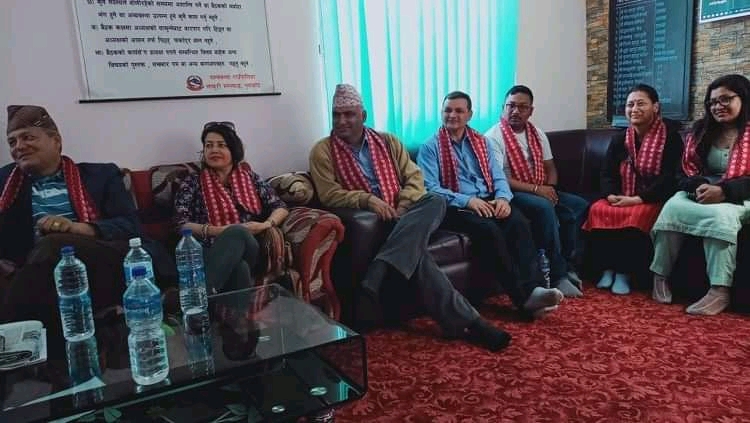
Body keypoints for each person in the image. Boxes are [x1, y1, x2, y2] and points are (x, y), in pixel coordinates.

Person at [309, 83, 511, 352]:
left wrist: (403, 205)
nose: (342, 121)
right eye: (336, 115)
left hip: (406, 214)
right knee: (418, 256)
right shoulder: (322, 151)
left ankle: (380, 268)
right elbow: (328, 194)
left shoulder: (388, 141)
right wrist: (368, 200)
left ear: (363, 115)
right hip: (373, 221)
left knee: (436, 199)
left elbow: (415, 178)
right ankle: (472, 322)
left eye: (349, 114)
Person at [0, 105, 174, 329]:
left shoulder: (100, 175)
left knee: (53, 245)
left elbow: (131, 226)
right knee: (48, 262)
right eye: (12, 142)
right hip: (40, 273)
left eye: (27, 137)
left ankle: (9, 333)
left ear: (56, 141)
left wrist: (75, 229)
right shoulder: (5, 183)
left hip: (101, 261)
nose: (19, 147)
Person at [417, 91, 563, 319]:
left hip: (488, 200)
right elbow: (430, 188)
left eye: (459, 111)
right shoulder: (430, 147)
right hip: (455, 206)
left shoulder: (481, 142)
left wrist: (503, 199)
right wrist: (468, 200)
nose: (452, 115)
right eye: (448, 110)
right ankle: (524, 300)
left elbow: (498, 177)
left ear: (469, 115)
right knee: (489, 230)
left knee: (518, 222)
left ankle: (535, 288)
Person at [650, 74, 750, 315]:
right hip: (703, 190)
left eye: (725, 99)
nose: (718, 106)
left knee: (720, 216)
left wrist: (725, 191)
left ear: (744, 99)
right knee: (673, 206)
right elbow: (682, 174)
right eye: (713, 102)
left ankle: (719, 290)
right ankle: (659, 277)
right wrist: (698, 186)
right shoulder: (700, 131)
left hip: (741, 194)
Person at [485, 85, 589, 297]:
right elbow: (500, 178)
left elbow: (550, 167)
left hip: (540, 187)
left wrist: (549, 189)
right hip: (511, 192)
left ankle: (570, 265)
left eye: (522, 107)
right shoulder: (493, 137)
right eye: (511, 106)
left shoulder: (537, 133)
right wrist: (537, 190)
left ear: (531, 111)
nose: (515, 111)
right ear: (503, 107)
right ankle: (558, 275)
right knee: (543, 207)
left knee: (579, 206)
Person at [582, 84, 683, 295]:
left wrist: (639, 199)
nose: (634, 109)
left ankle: (624, 272)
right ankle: (607, 268)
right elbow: (607, 173)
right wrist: (611, 194)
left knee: (636, 214)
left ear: (655, 107)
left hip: (653, 197)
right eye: (630, 105)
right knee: (599, 209)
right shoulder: (620, 138)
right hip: (622, 194)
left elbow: (669, 178)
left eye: (640, 103)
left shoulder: (671, 137)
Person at [173, 121, 289, 295]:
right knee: (240, 269)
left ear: (234, 150)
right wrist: (218, 231)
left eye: (221, 145)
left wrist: (265, 225)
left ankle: (197, 297)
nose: (213, 150)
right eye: (208, 146)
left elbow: (280, 207)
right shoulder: (193, 181)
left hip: (249, 245)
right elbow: (180, 224)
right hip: (208, 248)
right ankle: (231, 312)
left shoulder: (250, 178)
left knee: (238, 232)